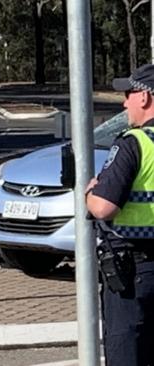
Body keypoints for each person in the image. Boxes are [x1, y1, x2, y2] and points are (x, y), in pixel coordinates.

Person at [86, 64, 154, 365]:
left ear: (145, 98)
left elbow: (103, 207)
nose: (125, 102)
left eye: (128, 94)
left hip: (135, 271)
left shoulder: (134, 143)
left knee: (128, 350)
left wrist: (90, 193)